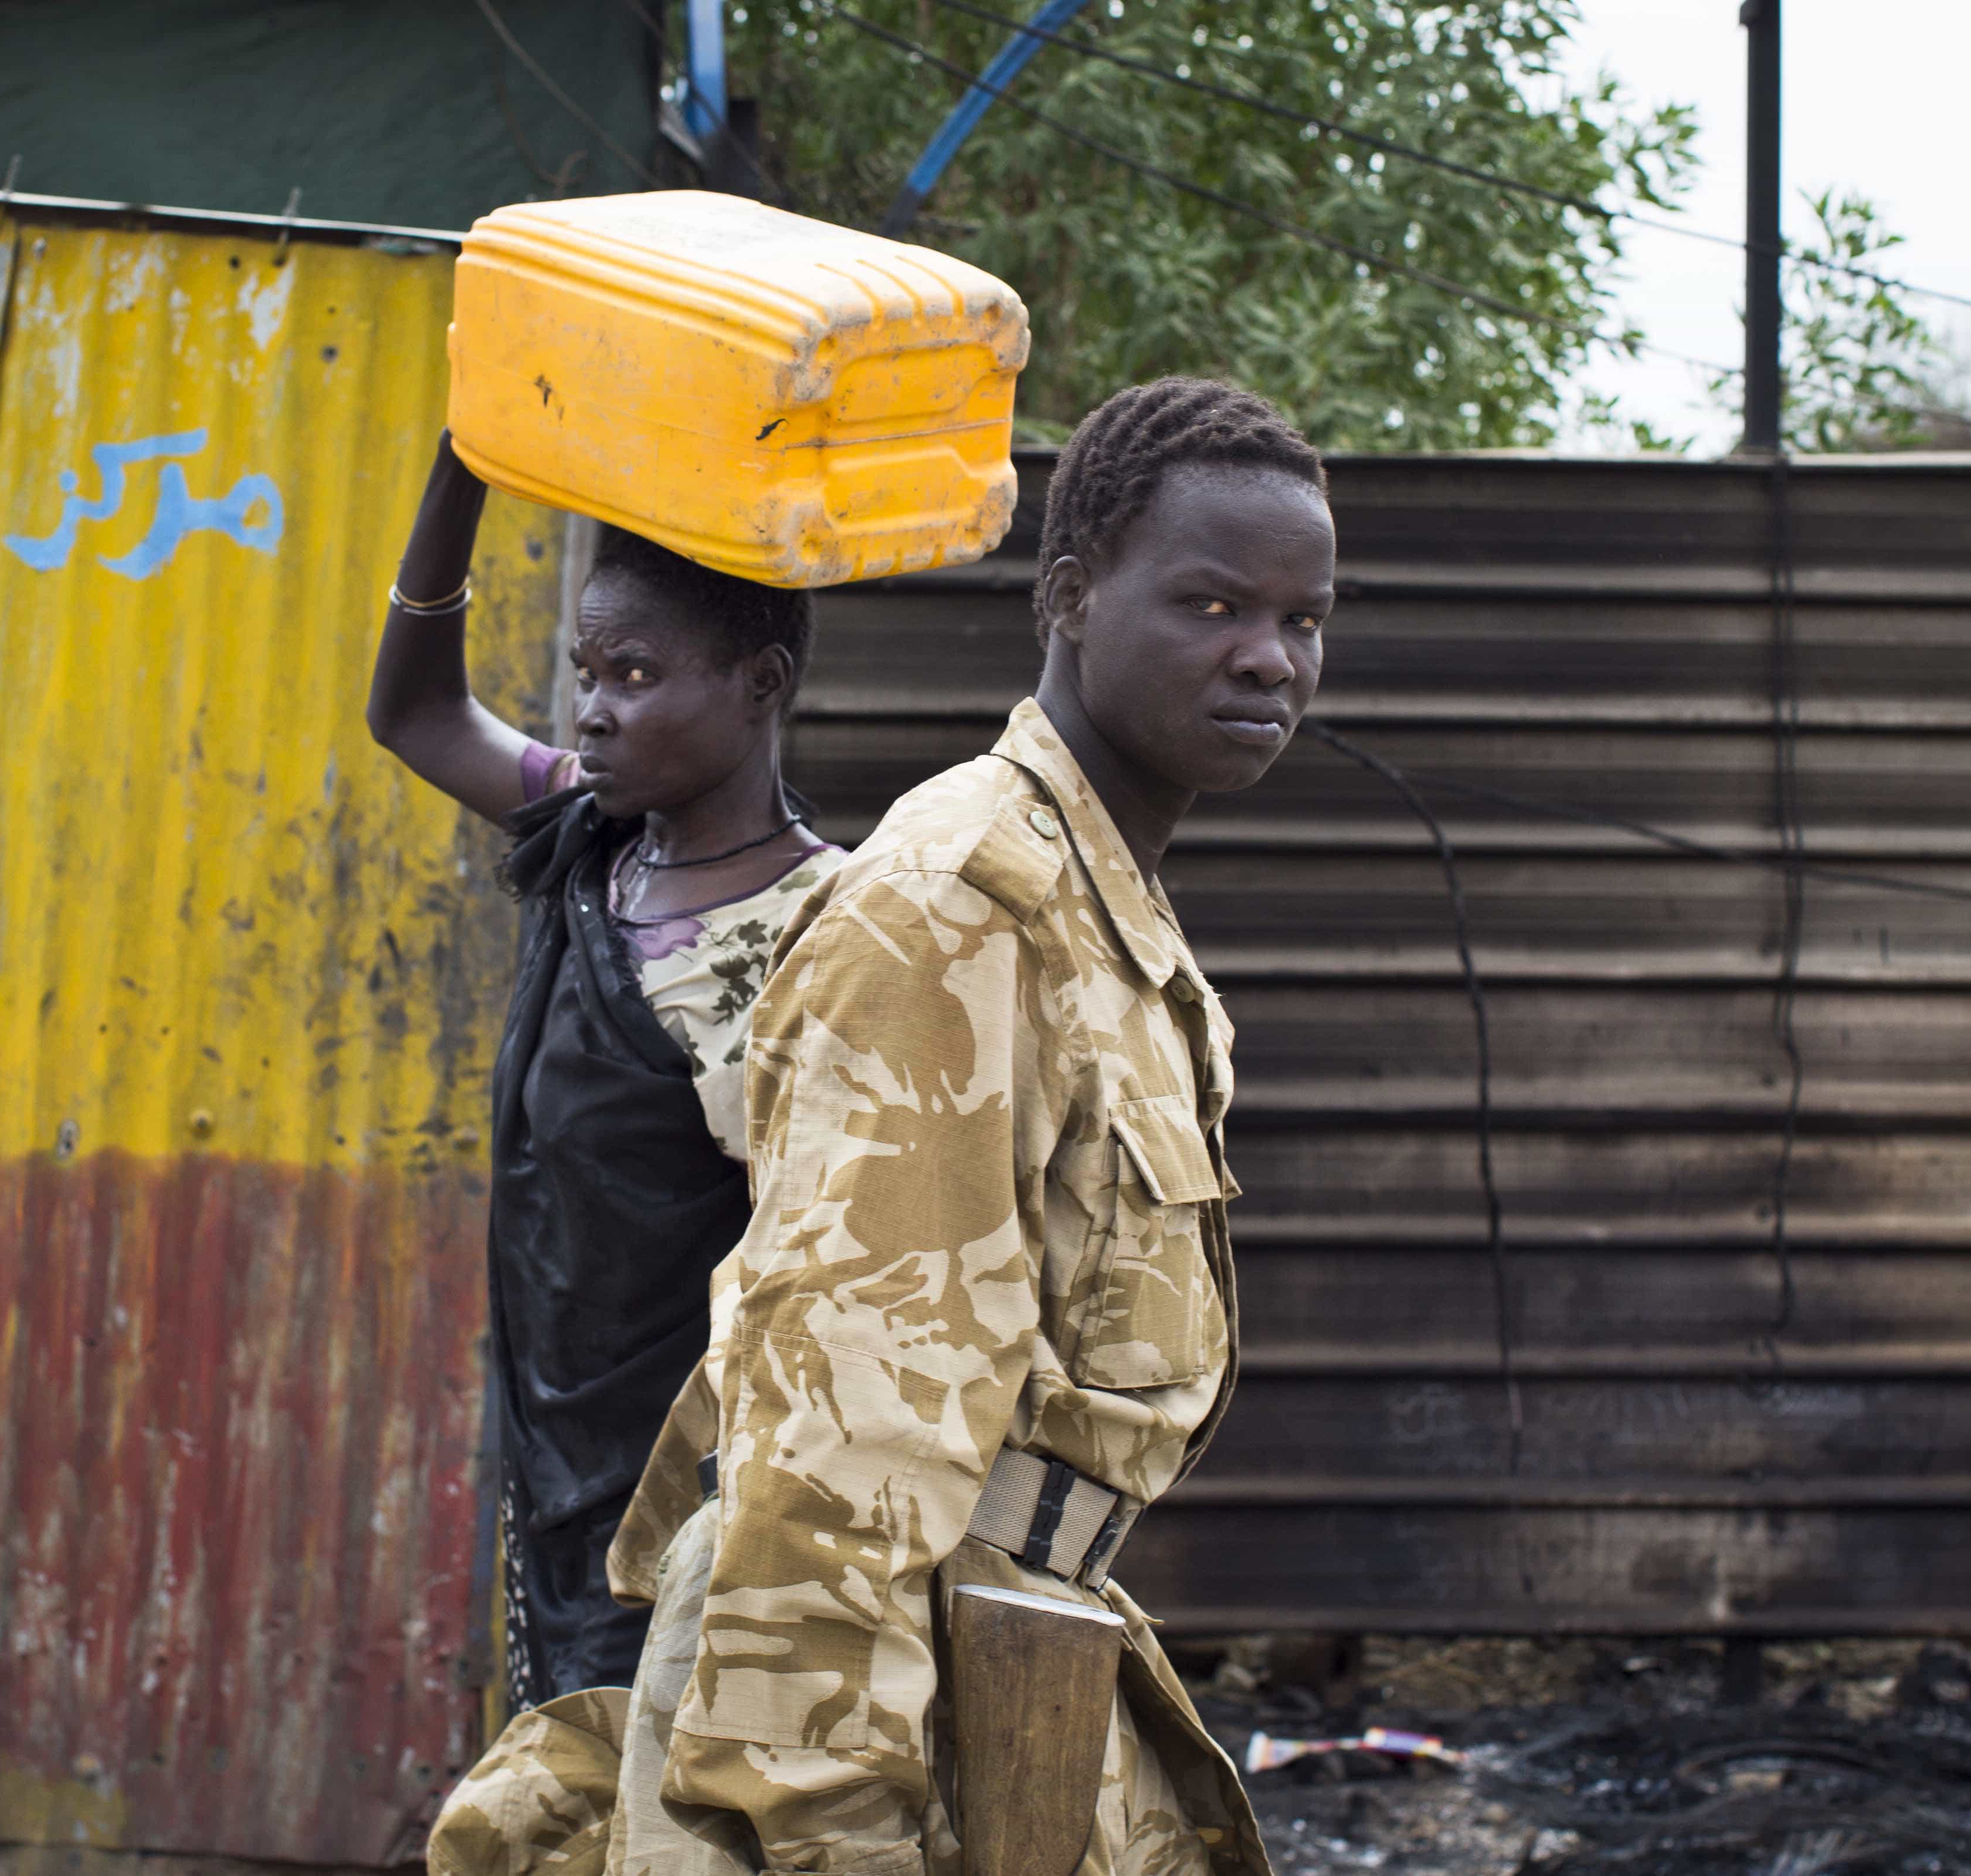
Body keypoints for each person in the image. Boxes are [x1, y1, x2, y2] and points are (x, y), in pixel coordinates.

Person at [429, 377, 1333, 1876]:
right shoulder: (952, 911)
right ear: (1068, 599)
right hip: (877, 1723)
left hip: (1006, 1676)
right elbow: (831, 1443)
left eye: (1302, 619)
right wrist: (829, 1830)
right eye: (1210, 602)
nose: (1267, 657)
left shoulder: (1098, 910)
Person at [367, 434, 840, 1713]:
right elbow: (411, 713)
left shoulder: (821, 931)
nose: (592, 708)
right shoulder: (595, 838)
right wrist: (460, 471)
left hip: (697, 1493)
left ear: (760, 683)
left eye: (634, 674)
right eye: (587, 672)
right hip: (555, 1449)